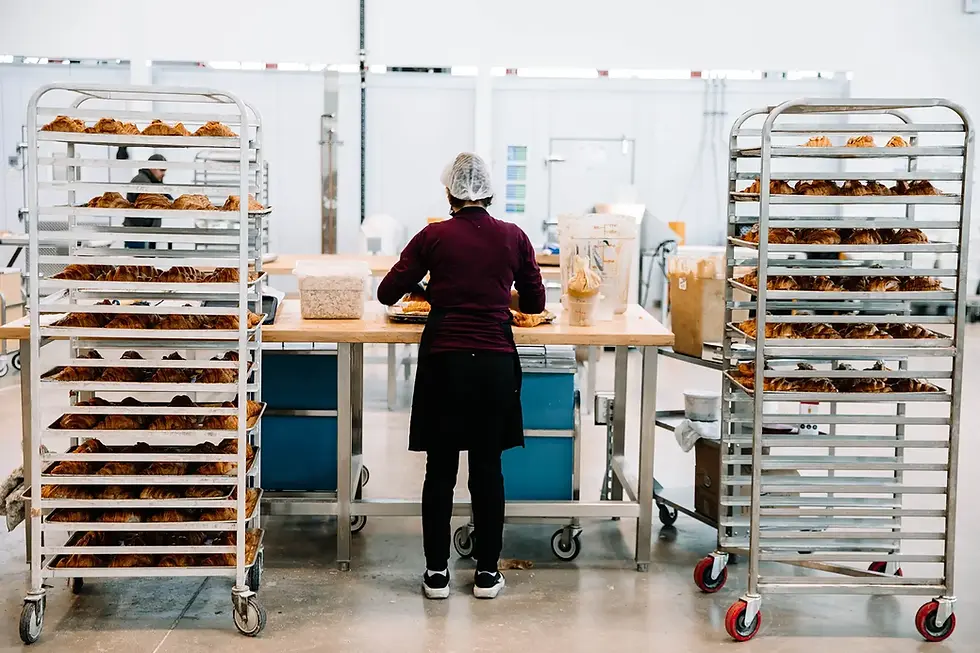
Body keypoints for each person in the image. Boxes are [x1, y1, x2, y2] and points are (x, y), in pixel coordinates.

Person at [377, 153, 546, 600]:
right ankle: (487, 574)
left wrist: (431, 288)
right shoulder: (514, 237)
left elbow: (386, 292)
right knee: (488, 469)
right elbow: (532, 304)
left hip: (444, 362)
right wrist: (493, 290)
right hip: (493, 363)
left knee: (440, 470)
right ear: (490, 192)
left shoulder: (433, 236)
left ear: (449, 191)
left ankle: (437, 574)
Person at [125, 153, 171, 249]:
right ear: (152, 168)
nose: (164, 174)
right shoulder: (142, 181)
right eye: (161, 170)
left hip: (145, 231)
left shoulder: (153, 182)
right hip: (139, 232)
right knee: (140, 261)